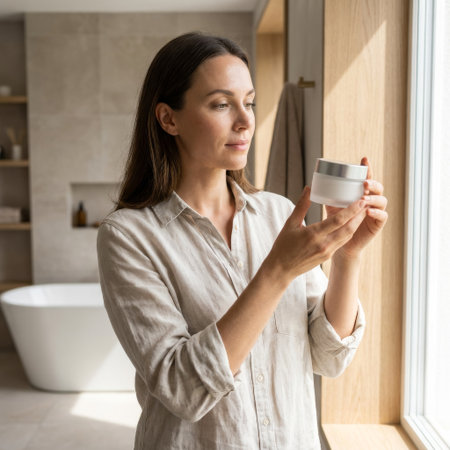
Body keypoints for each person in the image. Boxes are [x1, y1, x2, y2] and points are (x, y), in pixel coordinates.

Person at [97, 32, 388, 450]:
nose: (246, 120)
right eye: (221, 104)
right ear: (168, 119)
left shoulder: (276, 213)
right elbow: (183, 388)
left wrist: (348, 256)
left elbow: (328, 356)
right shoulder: (128, 237)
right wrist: (278, 271)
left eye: (249, 102)